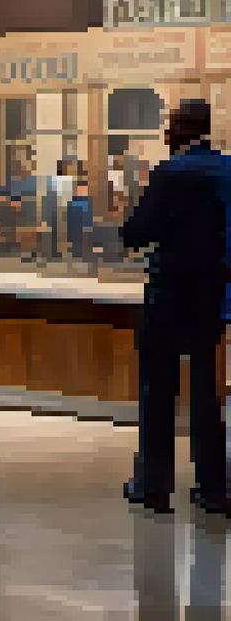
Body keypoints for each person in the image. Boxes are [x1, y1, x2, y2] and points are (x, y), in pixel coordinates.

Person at [121, 98, 231, 515]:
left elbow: (137, 232)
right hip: (212, 296)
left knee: (158, 391)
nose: (165, 133)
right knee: (207, 394)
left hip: (169, 295)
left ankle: (154, 485)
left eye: (170, 125)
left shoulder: (170, 173)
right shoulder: (227, 168)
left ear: (182, 129)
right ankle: (213, 489)